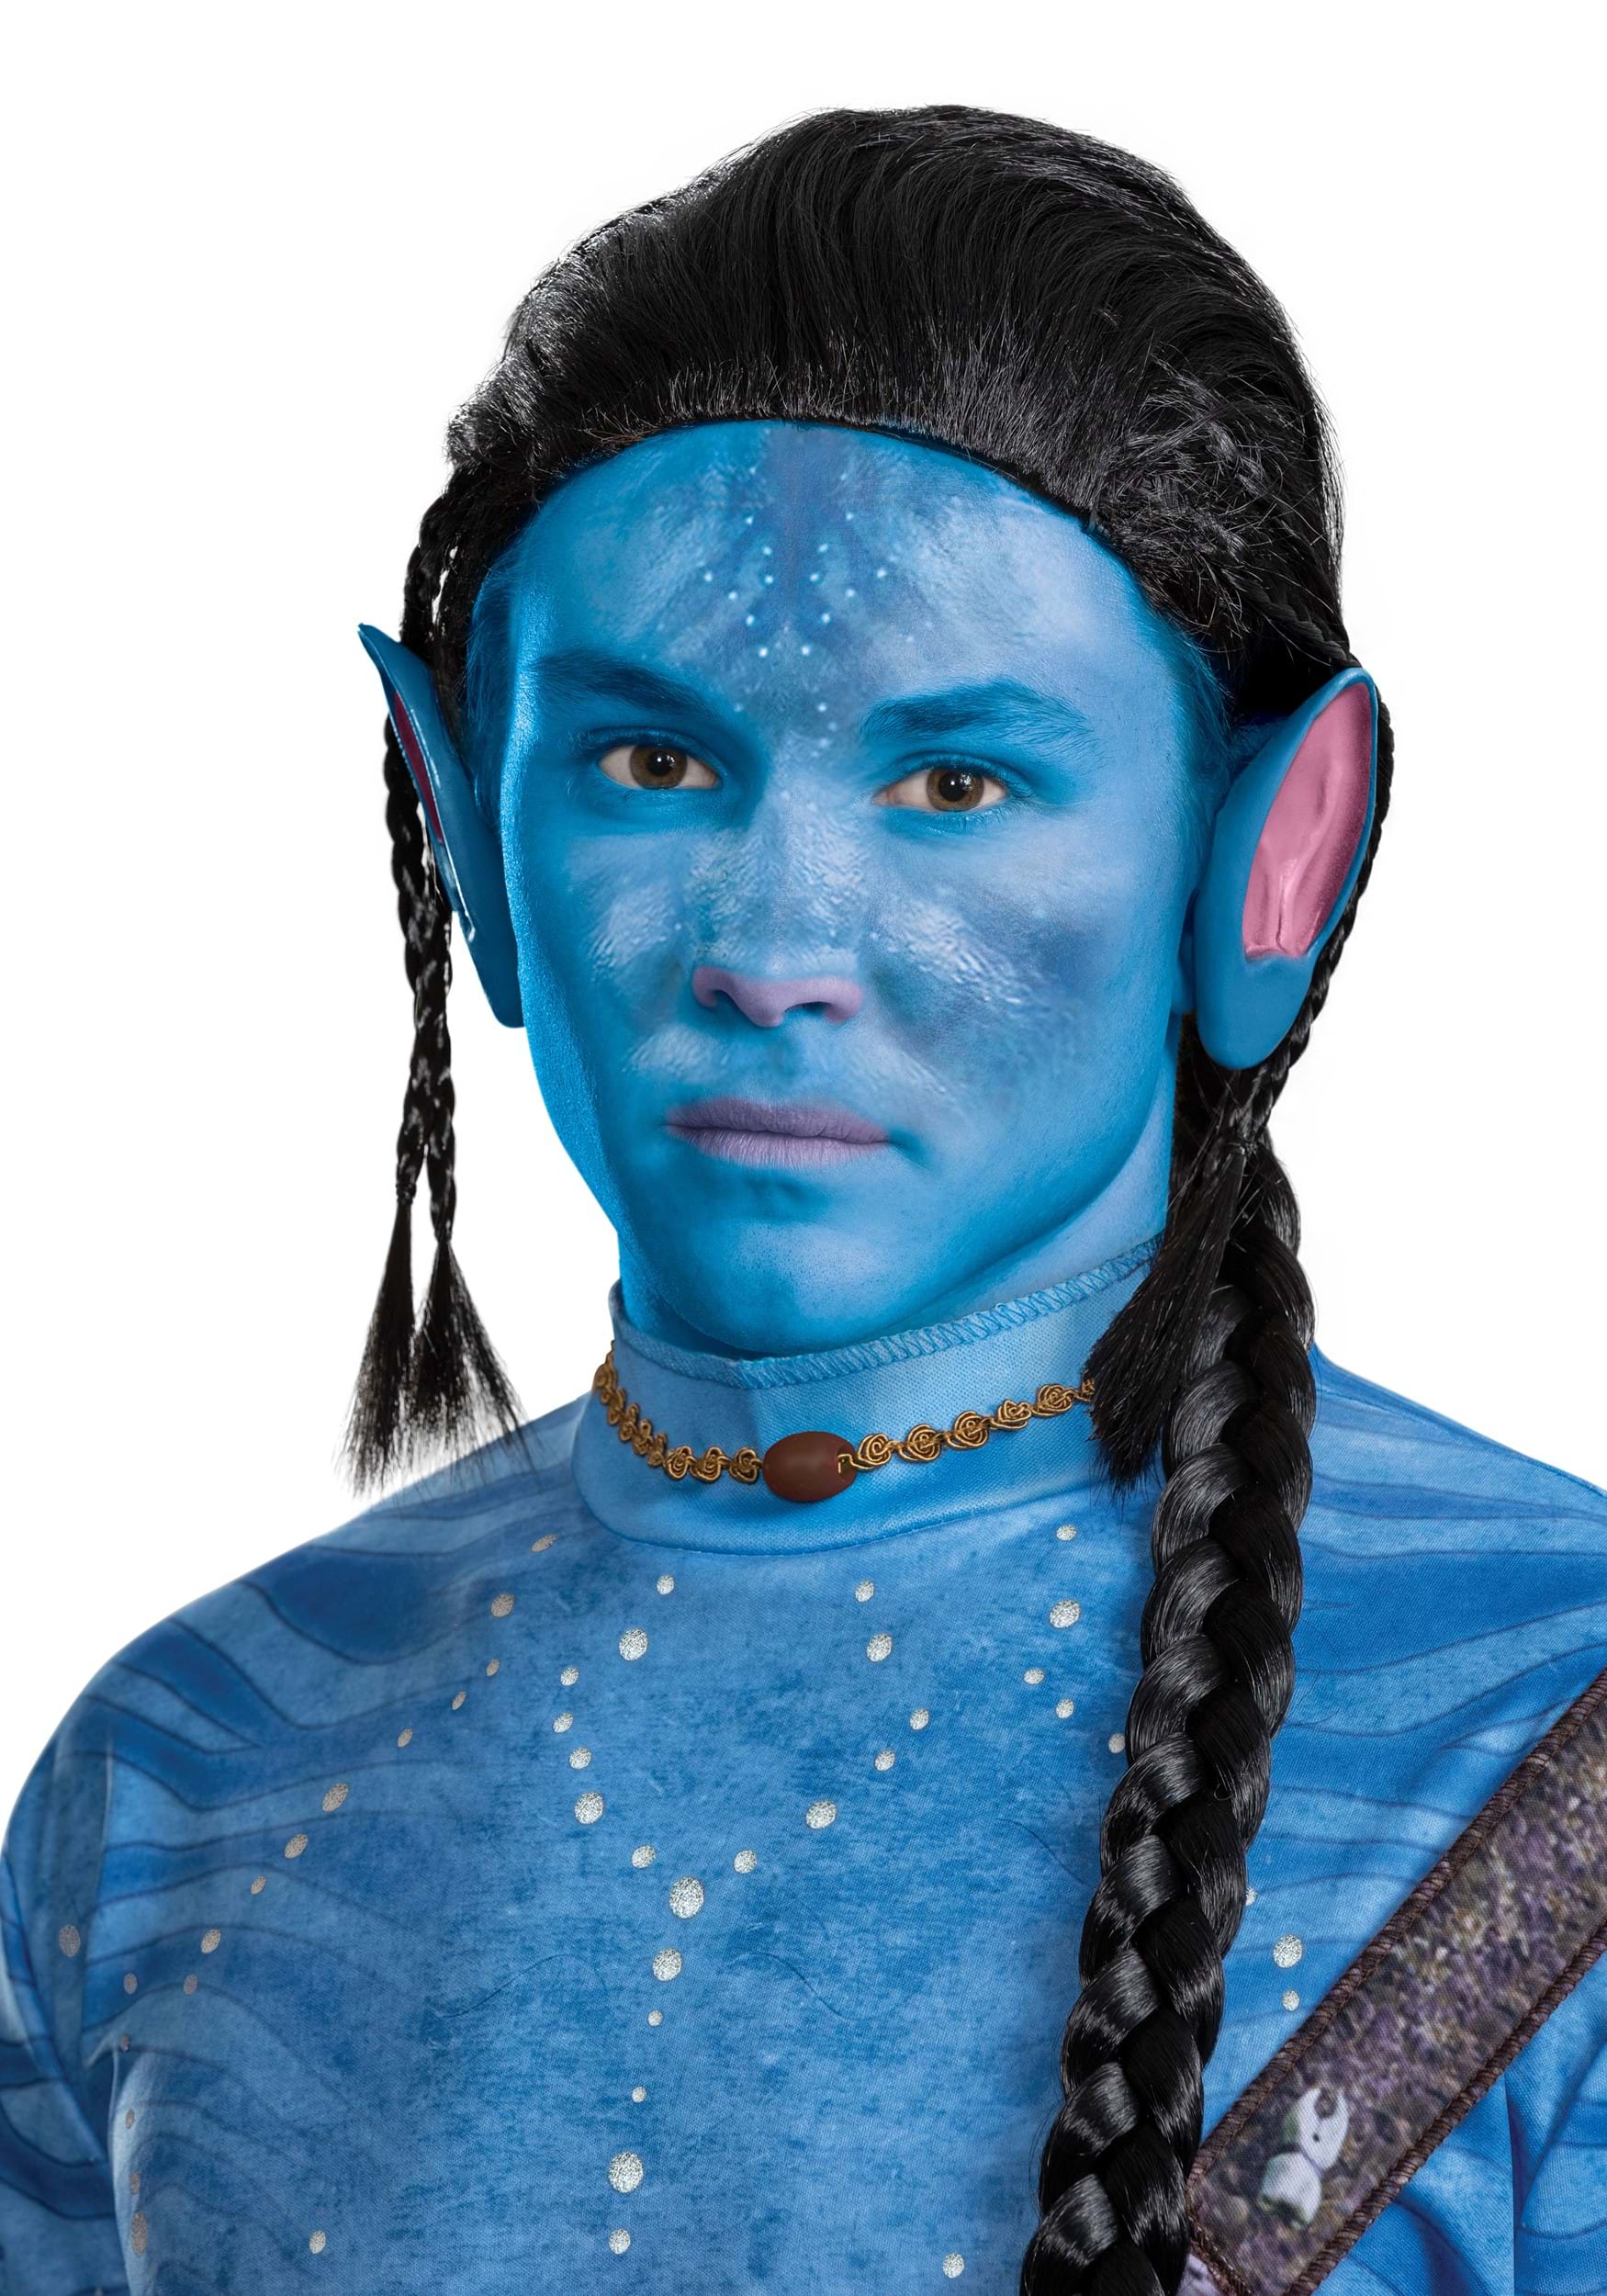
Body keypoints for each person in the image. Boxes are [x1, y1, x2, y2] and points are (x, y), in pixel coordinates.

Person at [2, 107, 1602, 2296]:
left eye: (954, 780)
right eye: (649, 762)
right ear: (460, 818)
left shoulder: (1548, 1759)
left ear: (1270, 849)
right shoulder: (176, 1778)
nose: (769, 945)